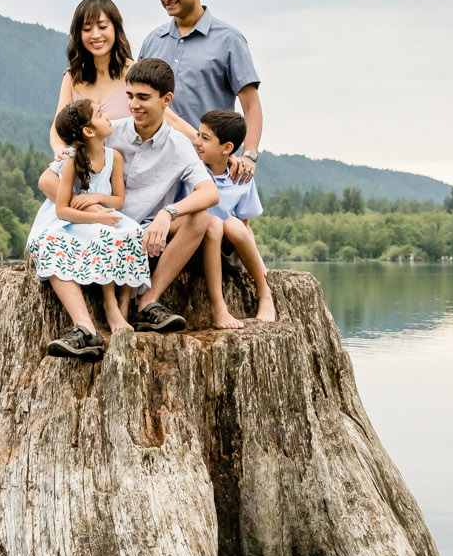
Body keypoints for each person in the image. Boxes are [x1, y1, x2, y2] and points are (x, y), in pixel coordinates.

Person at [28, 98, 149, 360]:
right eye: (99, 114)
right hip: (72, 220)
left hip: (102, 213)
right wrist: (94, 218)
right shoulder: (71, 160)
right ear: (88, 131)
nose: (108, 118)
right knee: (52, 243)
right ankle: (85, 327)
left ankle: (114, 305)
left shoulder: (113, 156)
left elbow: (118, 200)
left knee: (130, 234)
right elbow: (62, 210)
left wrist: (96, 200)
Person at [109, 57, 220, 333]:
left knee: (200, 218)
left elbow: (210, 192)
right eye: (130, 96)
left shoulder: (179, 145)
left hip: (150, 234)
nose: (134, 105)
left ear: (166, 99)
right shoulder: (110, 133)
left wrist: (167, 212)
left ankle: (148, 302)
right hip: (110, 229)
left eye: (143, 97)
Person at [137, 0, 263, 184]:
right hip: (156, 164)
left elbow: (251, 105)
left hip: (208, 166)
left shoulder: (229, 40)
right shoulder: (152, 41)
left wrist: (250, 155)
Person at [194, 109, 277, 326]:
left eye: (205, 138)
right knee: (212, 223)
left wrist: (257, 263)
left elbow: (246, 227)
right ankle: (218, 308)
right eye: (198, 135)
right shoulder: (193, 171)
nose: (197, 142)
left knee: (232, 224)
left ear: (227, 148)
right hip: (195, 248)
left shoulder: (242, 177)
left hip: (226, 252)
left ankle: (264, 292)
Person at [51, 0, 133, 155]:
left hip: (130, 170)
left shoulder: (134, 73)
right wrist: (59, 149)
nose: (95, 35)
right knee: (47, 180)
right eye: (87, 29)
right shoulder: (72, 78)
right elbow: (57, 127)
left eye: (102, 27)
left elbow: (166, 117)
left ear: (115, 28)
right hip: (89, 172)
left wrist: (196, 138)